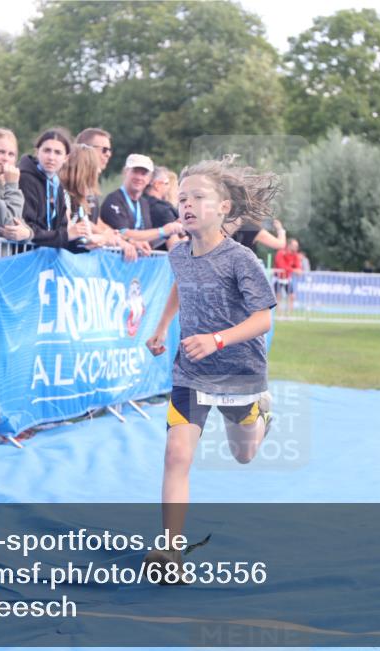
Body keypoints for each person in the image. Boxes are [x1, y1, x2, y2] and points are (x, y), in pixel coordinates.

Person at [144, 156, 279, 575]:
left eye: (198, 197)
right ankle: (171, 551)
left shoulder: (241, 259)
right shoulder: (179, 255)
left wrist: (217, 339)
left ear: (223, 207)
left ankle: (261, 415)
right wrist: (161, 327)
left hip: (239, 372)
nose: (187, 204)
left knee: (244, 454)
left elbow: (263, 319)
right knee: (176, 455)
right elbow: (180, 286)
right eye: (182, 197)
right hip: (191, 372)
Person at [102, 153, 182, 248]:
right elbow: (123, 234)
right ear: (125, 172)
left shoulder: (144, 203)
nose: (139, 177)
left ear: (149, 179)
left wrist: (170, 232)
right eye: (135, 171)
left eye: (144, 174)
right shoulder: (114, 200)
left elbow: (147, 242)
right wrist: (163, 231)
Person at [15, 128, 71, 241]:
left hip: (48, 249)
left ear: (66, 158)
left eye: (58, 152)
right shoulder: (25, 179)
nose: (51, 157)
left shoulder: (57, 184)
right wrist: (65, 236)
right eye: (46, 150)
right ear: (37, 152)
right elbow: (28, 227)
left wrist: (82, 238)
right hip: (27, 249)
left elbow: (62, 227)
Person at [273, 238, 304, 313]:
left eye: (297, 246)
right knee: (278, 296)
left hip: (287, 279)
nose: (296, 248)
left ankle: (290, 313)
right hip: (278, 278)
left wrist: (299, 270)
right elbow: (281, 266)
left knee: (292, 296)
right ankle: (278, 313)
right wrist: (294, 270)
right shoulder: (280, 253)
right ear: (289, 245)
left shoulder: (295, 255)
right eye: (295, 246)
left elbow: (298, 266)